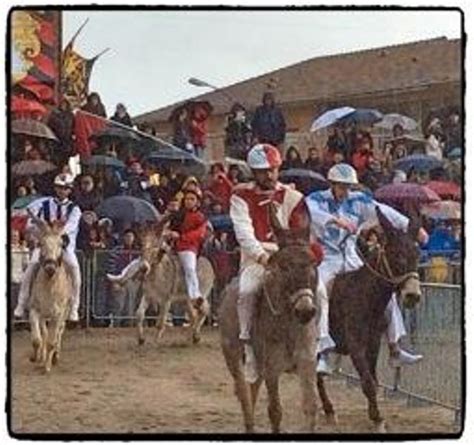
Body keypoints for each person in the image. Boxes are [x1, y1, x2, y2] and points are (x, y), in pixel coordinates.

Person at [305, 163, 428, 374]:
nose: (346, 191)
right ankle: (323, 349)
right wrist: (336, 220)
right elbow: (312, 213)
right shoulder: (316, 199)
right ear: (332, 184)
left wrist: (412, 227)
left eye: (349, 186)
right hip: (328, 257)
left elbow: (383, 212)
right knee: (320, 292)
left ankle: (395, 347)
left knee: (385, 288)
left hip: (352, 257)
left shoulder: (358, 200)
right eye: (342, 186)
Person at [229, 143, 320, 382]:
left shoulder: (293, 196)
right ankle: (247, 344)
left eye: (273, 169)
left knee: (318, 289)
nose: (269, 175)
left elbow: (300, 230)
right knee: (247, 290)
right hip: (257, 257)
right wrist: (261, 256)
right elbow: (243, 232)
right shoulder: (240, 196)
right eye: (263, 171)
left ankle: (320, 342)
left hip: (288, 256)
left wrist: (295, 255)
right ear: (253, 172)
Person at [13, 173, 82, 321]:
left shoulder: (74, 209)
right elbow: (30, 223)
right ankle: (21, 303)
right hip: (45, 245)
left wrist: (53, 230)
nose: (61, 191)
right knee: (31, 266)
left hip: (64, 247)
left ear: (69, 190)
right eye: (59, 187)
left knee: (75, 269)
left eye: (65, 188)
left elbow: (70, 227)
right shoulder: (43, 204)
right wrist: (36, 229)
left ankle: (74, 307)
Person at [168, 189, 209, 310]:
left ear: (197, 202)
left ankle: (195, 296)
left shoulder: (201, 217)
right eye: (187, 199)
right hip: (173, 245)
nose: (189, 201)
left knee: (190, 268)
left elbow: (199, 234)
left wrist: (180, 236)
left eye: (192, 199)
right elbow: (169, 226)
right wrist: (168, 233)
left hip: (188, 247)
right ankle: (123, 276)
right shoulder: (178, 214)